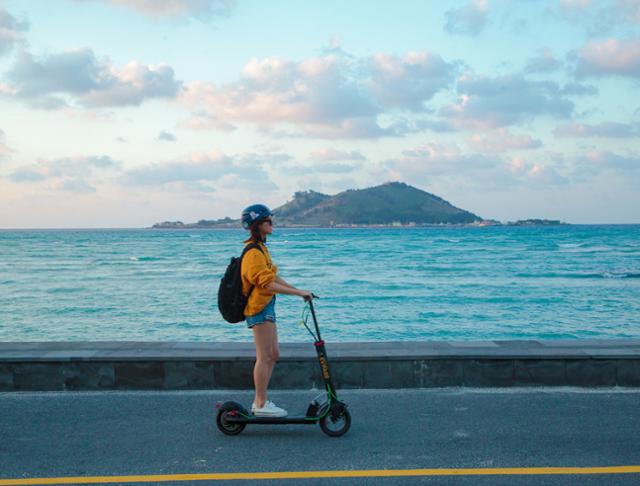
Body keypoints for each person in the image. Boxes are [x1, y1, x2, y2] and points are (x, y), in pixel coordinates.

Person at [240, 204, 313, 418]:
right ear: (257, 224)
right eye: (268, 220)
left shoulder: (262, 249)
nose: (272, 223)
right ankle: (260, 404)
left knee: (273, 354)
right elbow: (266, 284)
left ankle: (260, 402)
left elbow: (272, 278)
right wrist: (297, 293)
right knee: (264, 357)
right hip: (258, 308)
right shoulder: (253, 252)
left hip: (266, 305)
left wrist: (299, 291)